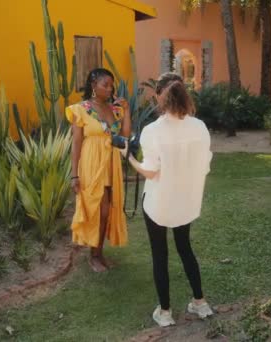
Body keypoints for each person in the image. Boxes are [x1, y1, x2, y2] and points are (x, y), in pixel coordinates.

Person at [123, 72, 214, 326]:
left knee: (160, 255)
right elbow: (204, 164)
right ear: (184, 93)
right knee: (185, 248)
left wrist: (128, 157)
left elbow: (151, 171)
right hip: (186, 202)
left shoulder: (153, 131)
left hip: (159, 203)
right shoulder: (200, 127)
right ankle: (200, 303)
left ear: (160, 95)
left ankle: (165, 313)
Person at [65, 68, 131, 273]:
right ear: (94, 85)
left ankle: (99, 252)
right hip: (92, 163)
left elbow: (124, 136)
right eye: (106, 85)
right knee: (98, 209)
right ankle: (94, 255)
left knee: (107, 210)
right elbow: (76, 144)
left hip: (111, 163)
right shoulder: (81, 109)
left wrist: (127, 112)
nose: (110, 89)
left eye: (112, 85)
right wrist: (74, 174)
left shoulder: (114, 109)